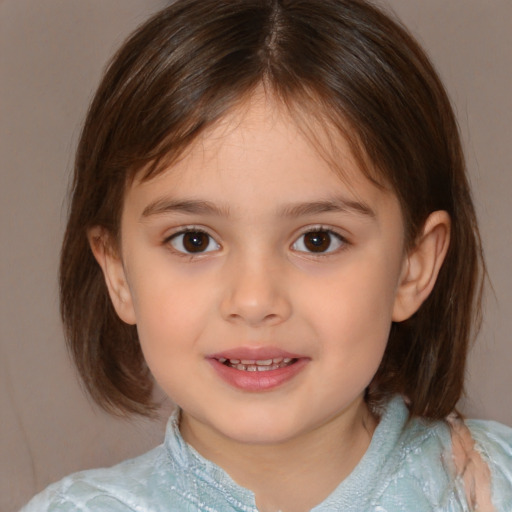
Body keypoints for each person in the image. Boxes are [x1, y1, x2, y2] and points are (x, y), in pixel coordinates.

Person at [20, 0, 512, 511]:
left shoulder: (494, 485)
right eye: (194, 240)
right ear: (118, 272)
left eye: (318, 240)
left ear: (414, 266)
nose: (254, 301)